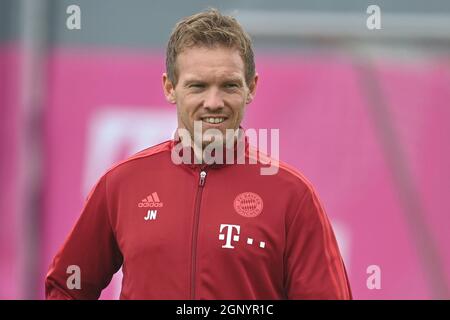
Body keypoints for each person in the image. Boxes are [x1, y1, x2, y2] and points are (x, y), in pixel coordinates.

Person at [45, 8, 352, 300]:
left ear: (251, 88)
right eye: (198, 86)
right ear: (170, 88)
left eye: (229, 85)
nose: (214, 102)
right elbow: (67, 286)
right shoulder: (121, 185)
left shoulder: (293, 197)